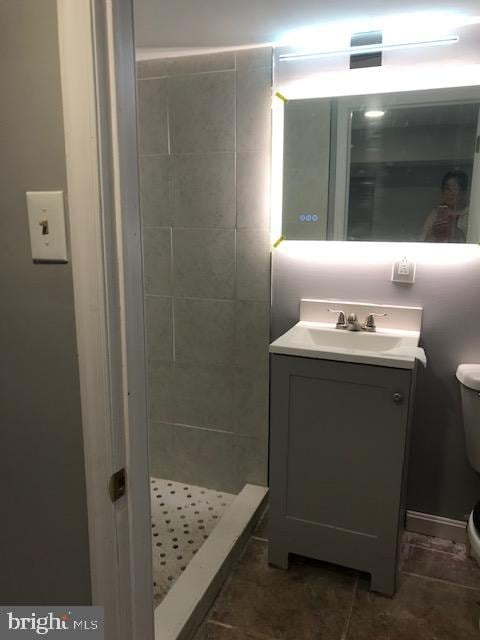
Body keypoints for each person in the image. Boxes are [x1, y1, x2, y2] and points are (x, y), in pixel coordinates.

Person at [422, 170, 469, 243]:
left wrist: (453, 229)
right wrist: (433, 233)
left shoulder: (471, 215)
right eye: (447, 189)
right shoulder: (435, 215)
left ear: (463, 192)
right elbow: (422, 244)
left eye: (455, 188)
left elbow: (473, 243)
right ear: (442, 192)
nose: (451, 193)